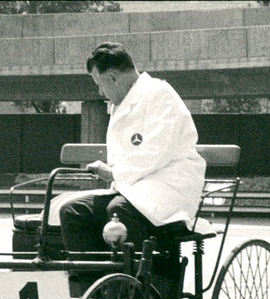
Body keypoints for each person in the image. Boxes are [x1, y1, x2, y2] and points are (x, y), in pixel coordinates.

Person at [49, 42, 206, 259]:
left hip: (169, 186)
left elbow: (156, 152)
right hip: (133, 189)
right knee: (73, 211)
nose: (100, 91)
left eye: (100, 84)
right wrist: (115, 175)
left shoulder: (160, 93)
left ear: (112, 77)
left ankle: (142, 285)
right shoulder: (122, 104)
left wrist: (113, 173)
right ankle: (91, 284)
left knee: (118, 210)